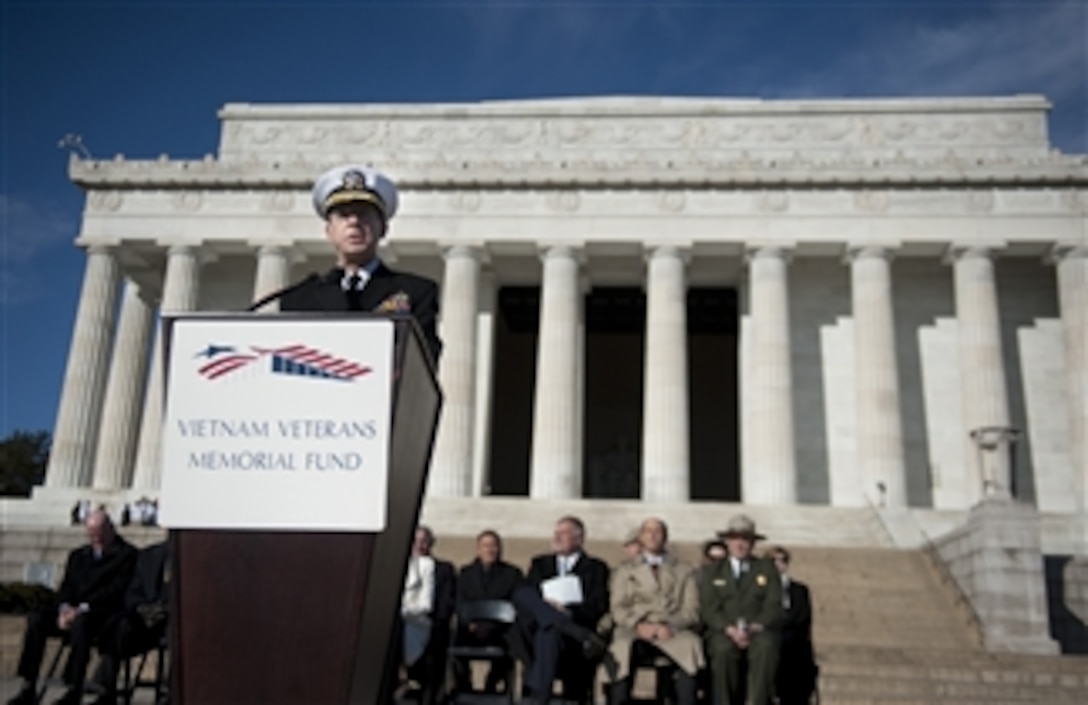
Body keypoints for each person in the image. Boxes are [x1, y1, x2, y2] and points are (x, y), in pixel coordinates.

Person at [274, 164, 442, 362]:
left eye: (364, 214)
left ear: (383, 229)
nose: (354, 221)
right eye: (344, 214)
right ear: (329, 230)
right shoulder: (299, 299)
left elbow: (422, 362)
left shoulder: (416, 292)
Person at [8, 510, 137, 705]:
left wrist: (82, 608)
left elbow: (117, 590)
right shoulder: (78, 555)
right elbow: (67, 587)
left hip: (101, 616)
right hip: (73, 612)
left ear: (111, 530)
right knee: (36, 619)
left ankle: (73, 688)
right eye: (91, 534)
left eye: (99, 534)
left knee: (81, 624)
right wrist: (64, 608)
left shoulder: (127, 555)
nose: (96, 539)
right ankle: (28, 685)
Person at [604, 518, 703, 705]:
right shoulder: (625, 570)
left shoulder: (684, 570)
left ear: (665, 537)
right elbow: (617, 607)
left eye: (658, 531)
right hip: (635, 627)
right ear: (641, 537)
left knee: (691, 646)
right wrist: (637, 624)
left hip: (672, 628)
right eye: (648, 531)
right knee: (621, 648)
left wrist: (669, 625)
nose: (653, 535)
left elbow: (691, 609)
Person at [515, 516, 610, 704]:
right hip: (542, 628)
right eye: (556, 532)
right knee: (522, 593)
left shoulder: (596, 568)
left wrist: (567, 611)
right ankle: (565, 625)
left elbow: (598, 603)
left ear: (579, 538)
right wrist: (549, 608)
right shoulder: (540, 563)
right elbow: (529, 598)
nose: (557, 537)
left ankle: (540, 698)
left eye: (564, 533)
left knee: (548, 632)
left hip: (571, 631)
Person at [699, 515, 784, 705]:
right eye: (735, 539)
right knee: (722, 650)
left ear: (753, 543)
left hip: (757, 629)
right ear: (727, 542)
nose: (740, 544)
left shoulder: (766, 569)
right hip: (724, 631)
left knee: (766, 647)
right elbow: (709, 608)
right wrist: (729, 629)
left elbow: (774, 605)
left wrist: (755, 627)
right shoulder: (714, 571)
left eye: (745, 539)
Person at [89, 542, 169, 705]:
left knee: (184, 634)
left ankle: (170, 692)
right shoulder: (148, 555)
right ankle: (105, 687)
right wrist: (143, 609)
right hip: (144, 621)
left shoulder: (193, 557)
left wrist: (164, 609)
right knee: (119, 625)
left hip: (173, 622)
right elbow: (133, 592)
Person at [453, 530, 523, 694]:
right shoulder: (466, 573)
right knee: (454, 642)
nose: (490, 550)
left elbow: (515, 605)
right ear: (478, 549)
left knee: (511, 643)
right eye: (485, 546)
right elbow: (459, 602)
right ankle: (464, 687)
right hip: (471, 630)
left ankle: (492, 686)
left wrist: (495, 625)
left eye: (494, 546)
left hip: (500, 631)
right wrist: (469, 623)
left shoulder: (512, 574)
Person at [769, 546, 816, 705]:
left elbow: (802, 618)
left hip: (793, 648)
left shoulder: (799, 590)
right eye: (772, 560)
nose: (777, 564)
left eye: (782, 560)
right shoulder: (757, 590)